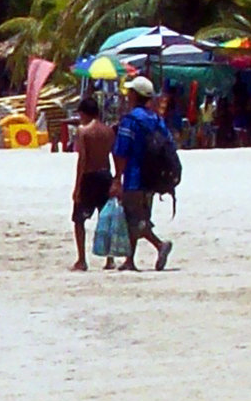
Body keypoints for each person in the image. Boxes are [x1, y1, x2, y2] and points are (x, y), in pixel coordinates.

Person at [113, 76, 174, 272]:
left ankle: (159, 244)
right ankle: (130, 260)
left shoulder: (130, 120)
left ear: (134, 95)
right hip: (153, 176)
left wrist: (117, 178)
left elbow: (121, 151)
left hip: (135, 176)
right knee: (139, 216)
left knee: (134, 218)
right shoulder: (156, 119)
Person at [71, 97, 116, 271]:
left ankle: (82, 259)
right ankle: (110, 259)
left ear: (83, 113)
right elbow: (112, 156)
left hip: (89, 177)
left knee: (79, 220)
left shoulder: (83, 131)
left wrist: (77, 187)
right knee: (105, 218)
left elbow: (83, 160)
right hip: (106, 175)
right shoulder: (109, 131)